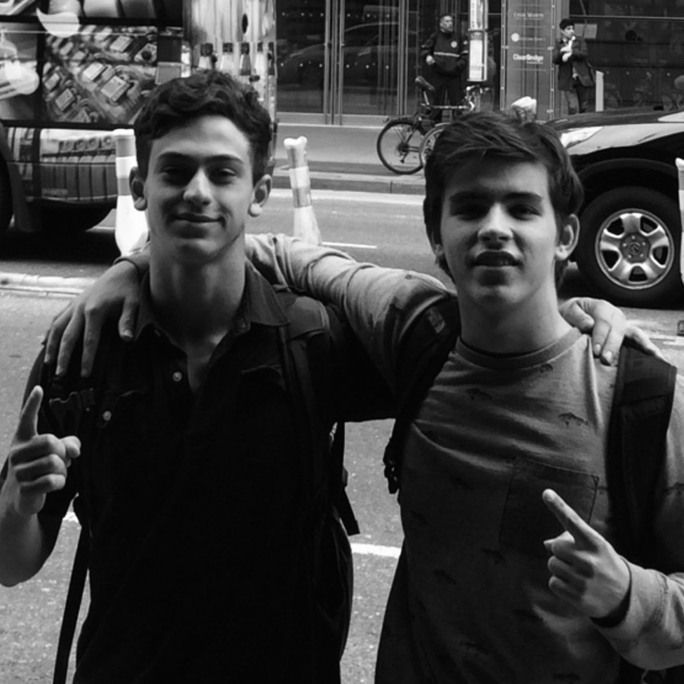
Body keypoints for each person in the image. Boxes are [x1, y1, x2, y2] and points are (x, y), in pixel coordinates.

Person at [43, 126, 664, 679]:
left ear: (566, 237)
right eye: (471, 208)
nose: (495, 228)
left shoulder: (639, 394)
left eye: (522, 209)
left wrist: (626, 595)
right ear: (437, 238)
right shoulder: (415, 328)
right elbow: (274, 252)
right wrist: (134, 264)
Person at [0, 69, 389, 682]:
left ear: (259, 191)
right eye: (176, 171)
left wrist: (588, 313)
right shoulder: (80, 352)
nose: (198, 192)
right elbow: (12, 563)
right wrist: (18, 506)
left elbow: (464, 355)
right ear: (139, 186)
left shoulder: (314, 339)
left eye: (223, 173)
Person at [420, 13, 468, 122]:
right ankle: (434, 129)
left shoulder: (459, 37)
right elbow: (424, 49)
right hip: (438, 75)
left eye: (451, 21)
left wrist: (457, 67)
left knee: (456, 105)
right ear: (441, 24)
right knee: (437, 104)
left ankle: (457, 130)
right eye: (447, 21)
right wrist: (428, 56)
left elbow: (465, 56)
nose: (450, 24)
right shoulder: (435, 36)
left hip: (454, 76)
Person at [552, 18, 594, 115]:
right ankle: (575, 126)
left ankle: (582, 125)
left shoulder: (579, 40)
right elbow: (554, 59)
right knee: (573, 107)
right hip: (568, 79)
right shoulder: (559, 43)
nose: (571, 31)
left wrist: (571, 52)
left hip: (581, 78)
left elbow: (584, 53)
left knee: (583, 106)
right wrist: (562, 54)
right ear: (562, 31)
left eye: (572, 28)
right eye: (568, 29)